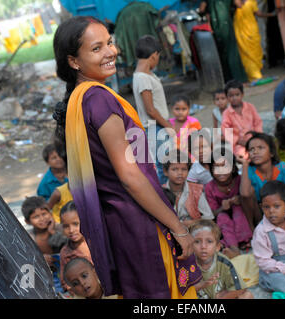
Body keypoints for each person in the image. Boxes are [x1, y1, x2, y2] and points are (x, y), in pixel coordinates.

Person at [52, 16, 200, 298]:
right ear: (74, 61)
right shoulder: (99, 100)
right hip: (139, 222)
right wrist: (177, 227)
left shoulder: (80, 100)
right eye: (96, 48)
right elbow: (130, 176)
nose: (110, 52)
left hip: (120, 223)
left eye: (109, 42)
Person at [132, 35, 173, 185]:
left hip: (157, 126)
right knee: (164, 166)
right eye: (158, 57)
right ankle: (167, 198)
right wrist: (168, 126)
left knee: (166, 163)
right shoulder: (143, 78)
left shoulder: (144, 75)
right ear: (154, 55)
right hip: (155, 127)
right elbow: (150, 109)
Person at [240, 132, 285, 215]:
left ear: (271, 153)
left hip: (281, 209)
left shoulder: (283, 168)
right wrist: (245, 164)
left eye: (260, 148)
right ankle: (254, 227)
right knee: (247, 194)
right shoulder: (249, 170)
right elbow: (245, 194)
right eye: (251, 149)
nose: (255, 152)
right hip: (259, 211)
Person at [205, 153, 252, 258]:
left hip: (242, 216)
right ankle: (234, 247)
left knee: (237, 209)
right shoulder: (210, 187)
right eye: (216, 167)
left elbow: (248, 196)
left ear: (233, 168)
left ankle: (245, 240)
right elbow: (212, 213)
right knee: (222, 217)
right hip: (223, 220)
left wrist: (240, 199)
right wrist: (222, 208)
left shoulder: (239, 180)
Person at [190, 219, 254, 299]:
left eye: (209, 241)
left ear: (217, 247)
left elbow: (240, 288)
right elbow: (182, 292)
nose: (203, 246)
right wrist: (201, 285)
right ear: (190, 245)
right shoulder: (187, 264)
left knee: (247, 296)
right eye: (197, 241)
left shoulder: (224, 262)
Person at [21, 196, 68, 293]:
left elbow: (70, 247)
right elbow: (25, 258)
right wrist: (40, 259)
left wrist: (52, 233)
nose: (42, 219)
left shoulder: (60, 229)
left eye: (44, 214)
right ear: (27, 221)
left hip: (67, 273)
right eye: (36, 217)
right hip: (46, 279)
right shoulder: (29, 237)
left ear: (50, 213)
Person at [198, 0, 248, 83]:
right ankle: (239, 79)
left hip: (215, 27)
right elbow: (239, 4)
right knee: (232, 53)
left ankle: (227, 80)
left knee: (221, 53)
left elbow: (202, 10)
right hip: (226, 26)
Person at [162, 150, 214, 227]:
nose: (180, 173)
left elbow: (209, 218)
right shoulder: (161, 192)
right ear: (166, 172)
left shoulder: (196, 190)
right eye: (175, 169)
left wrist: (191, 223)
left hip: (194, 231)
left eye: (184, 169)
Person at [233, 0, 275, 82]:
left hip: (249, 30)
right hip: (247, 30)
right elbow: (259, 14)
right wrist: (272, 14)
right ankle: (254, 75)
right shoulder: (249, 2)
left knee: (252, 52)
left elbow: (258, 13)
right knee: (249, 53)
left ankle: (255, 73)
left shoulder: (251, 2)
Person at [221, 79, 263, 162]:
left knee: (263, 151)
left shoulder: (250, 107)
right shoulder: (226, 113)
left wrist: (257, 136)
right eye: (231, 96)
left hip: (254, 139)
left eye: (237, 94)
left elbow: (257, 122)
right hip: (238, 144)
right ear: (227, 97)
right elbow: (226, 130)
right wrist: (238, 140)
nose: (234, 98)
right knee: (242, 156)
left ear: (242, 94)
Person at [59, 201, 93, 294]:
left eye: (75, 224)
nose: (71, 230)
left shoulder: (94, 245)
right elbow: (65, 281)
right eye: (66, 226)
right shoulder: (65, 252)